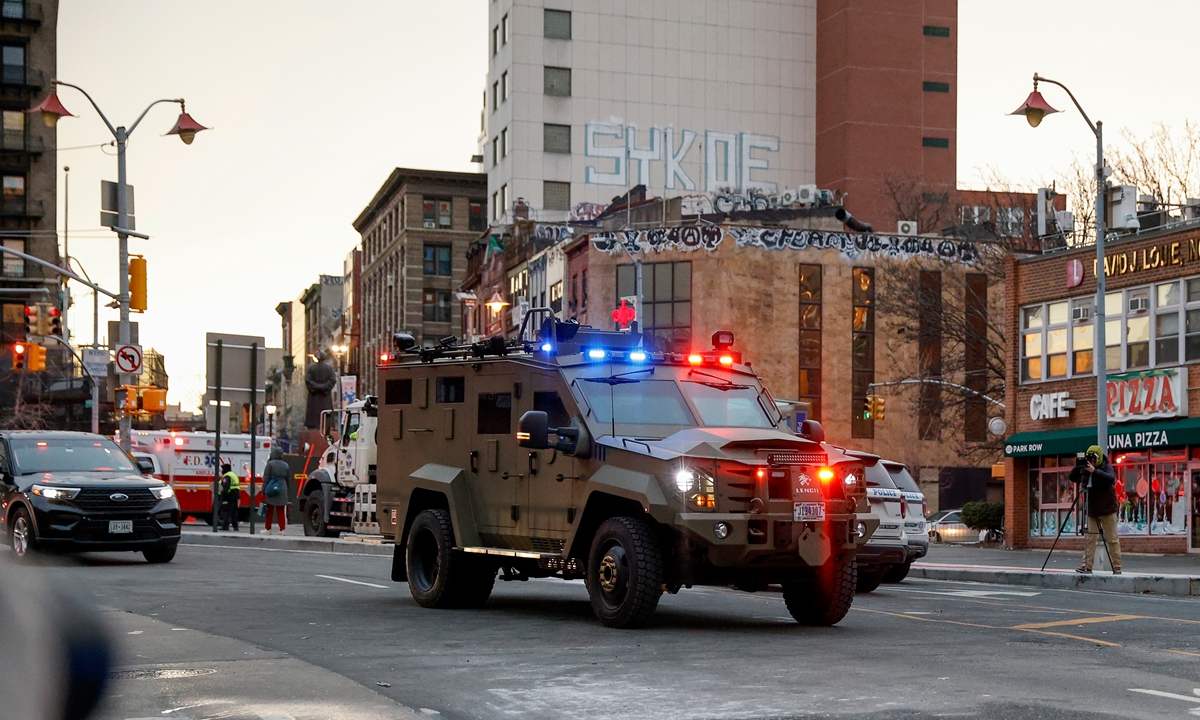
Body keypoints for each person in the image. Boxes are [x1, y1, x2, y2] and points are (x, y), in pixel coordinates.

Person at [1069, 444, 1122, 574]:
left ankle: (1117, 567)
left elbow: (1110, 479)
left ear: (1098, 458)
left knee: (1112, 539)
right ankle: (1086, 565)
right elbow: (1072, 477)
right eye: (1089, 458)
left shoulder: (1106, 467)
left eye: (1094, 458)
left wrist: (1094, 471)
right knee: (1089, 539)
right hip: (1092, 510)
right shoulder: (1085, 468)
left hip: (1108, 510)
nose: (1091, 461)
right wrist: (1079, 466)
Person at [262, 447, 291, 535]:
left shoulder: (270, 464)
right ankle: (282, 529)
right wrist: (286, 488)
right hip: (282, 487)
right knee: (281, 510)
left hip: (272, 485)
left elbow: (266, 478)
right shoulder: (286, 465)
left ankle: (268, 529)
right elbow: (288, 479)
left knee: (269, 510)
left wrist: (264, 490)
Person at [219, 463, 241, 532]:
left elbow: (226, 487)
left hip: (230, 495)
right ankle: (235, 527)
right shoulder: (234, 475)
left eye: (222, 469)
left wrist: (223, 496)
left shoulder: (227, 476)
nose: (221, 471)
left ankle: (225, 526)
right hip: (236, 494)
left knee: (226, 510)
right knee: (234, 512)